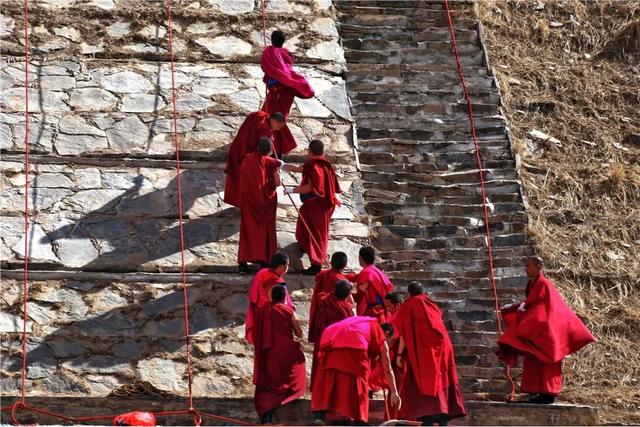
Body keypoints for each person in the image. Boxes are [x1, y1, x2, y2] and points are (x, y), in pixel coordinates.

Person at [497, 256, 596, 404]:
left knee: (546, 362)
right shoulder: (533, 283)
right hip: (539, 330)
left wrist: (519, 307)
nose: (526, 269)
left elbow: (541, 306)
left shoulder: (543, 283)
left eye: (529, 266)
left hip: (546, 331)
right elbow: (531, 303)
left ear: (538, 267)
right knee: (533, 359)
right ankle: (536, 392)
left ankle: (547, 394)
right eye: (526, 266)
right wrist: (515, 306)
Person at [394, 282, 466, 425]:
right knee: (442, 380)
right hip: (442, 349)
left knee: (422, 383)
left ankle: (427, 420)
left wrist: (399, 355)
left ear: (408, 294)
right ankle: (443, 419)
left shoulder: (408, 306)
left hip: (422, 352)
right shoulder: (431, 305)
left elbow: (404, 334)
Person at [311, 316, 401, 425]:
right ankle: (358, 418)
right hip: (355, 345)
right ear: (386, 334)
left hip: (330, 340)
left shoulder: (362, 323)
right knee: (359, 378)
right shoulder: (378, 333)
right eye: (390, 341)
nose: (389, 344)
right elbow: (388, 369)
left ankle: (321, 413)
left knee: (329, 374)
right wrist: (394, 392)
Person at [283, 139, 341, 275]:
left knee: (317, 233)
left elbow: (311, 187)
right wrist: (282, 165)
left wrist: (293, 190)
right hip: (315, 205)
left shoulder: (315, 166)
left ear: (310, 151)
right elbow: (299, 169)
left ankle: (316, 264)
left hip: (319, 206)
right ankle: (304, 246)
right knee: (304, 224)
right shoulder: (322, 163)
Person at [253, 285, 306, 424]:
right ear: (284, 297)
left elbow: (256, 333)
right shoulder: (288, 310)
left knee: (269, 383)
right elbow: (299, 333)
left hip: (269, 352)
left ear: (271, 297)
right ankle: (286, 398)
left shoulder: (262, 311)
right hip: (287, 352)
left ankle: (267, 414)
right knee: (298, 364)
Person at [224, 111, 296, 207]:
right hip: (244, 154)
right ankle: (243, 204)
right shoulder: (264, 129)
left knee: (238, 179)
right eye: (279, 126)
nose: (278, 129)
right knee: (245, 181)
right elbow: (258, 147)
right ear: (274, 121)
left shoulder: (260, 115)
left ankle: (240, 203)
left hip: (237, 146)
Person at [237, 138, 282, 274]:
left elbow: (243, 182)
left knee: (248, 232)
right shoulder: (273, 163)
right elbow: (278, 182)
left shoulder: (247, 160)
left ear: (257, 147)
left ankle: (243, 264)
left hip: (250, 202)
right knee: (264, 233)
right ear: (269, 151)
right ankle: (263, 261)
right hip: (266, 203)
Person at [309, 279, 356, 387]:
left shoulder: (325, 301)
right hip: (338, 347)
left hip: (323, 343)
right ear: (348, 295)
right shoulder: (347, 310)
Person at [261, 30, 315, 118]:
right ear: (283, 41)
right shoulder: (286, 52)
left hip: (276, 88)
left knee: (270, 115)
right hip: (289, 89)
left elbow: (264, 67)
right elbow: (287, 68)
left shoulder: (269, 51)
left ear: (272, 40)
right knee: (282, 115)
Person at [245, 252, 293, 345]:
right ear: (282, 267)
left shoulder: (262, 272)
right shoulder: (276, 282)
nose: (287, 269)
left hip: (259, 314)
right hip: (272, 320)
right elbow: (281, 304)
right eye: (287, 266)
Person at [308, 251, 354, 342]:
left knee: (321, 342)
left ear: (331, 262)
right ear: (345, 265)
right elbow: (350, 302)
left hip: (321, 314)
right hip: (337, 315)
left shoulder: (322, 274)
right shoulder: (342, 281)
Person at [352, 246, 394, 322]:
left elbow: (359, 296)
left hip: (372, 313)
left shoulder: (366, 274)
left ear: (360, 258)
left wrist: (346, 295)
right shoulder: (377, 271)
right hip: (381, 311)